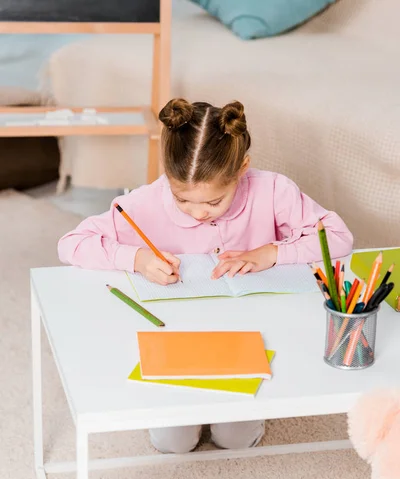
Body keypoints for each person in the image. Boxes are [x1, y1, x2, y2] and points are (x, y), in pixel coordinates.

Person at [58, 98, 353, 454]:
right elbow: (72, 243)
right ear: (169, 177)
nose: (198, 213)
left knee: (236, 440)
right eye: (183, 199)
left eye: (214, 203)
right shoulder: (148, 201)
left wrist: (273, 252)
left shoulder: (274, 190)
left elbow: (339, 238)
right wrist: (136, 258)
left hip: (250, 334)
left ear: (243, 168)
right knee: (174, 443)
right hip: (176, 336)